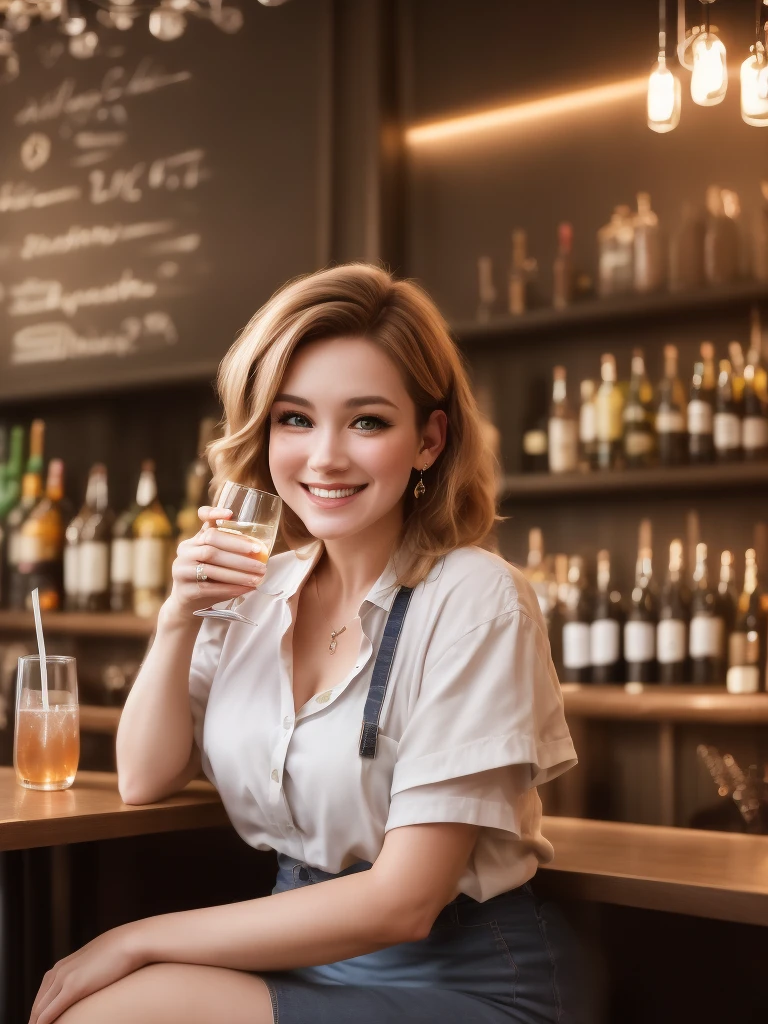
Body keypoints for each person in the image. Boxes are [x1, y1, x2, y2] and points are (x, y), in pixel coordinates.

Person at [31, 264, 593, 1024]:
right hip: (301, 955)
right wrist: (178, 616)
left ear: (429, 439)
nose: (325, 456)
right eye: (295, 419)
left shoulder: (475, 597)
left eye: (366, 421)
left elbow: (403, 903)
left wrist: (135, 940)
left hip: (461, 976)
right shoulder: (256, 589)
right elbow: (143, 774)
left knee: (104, 1010)